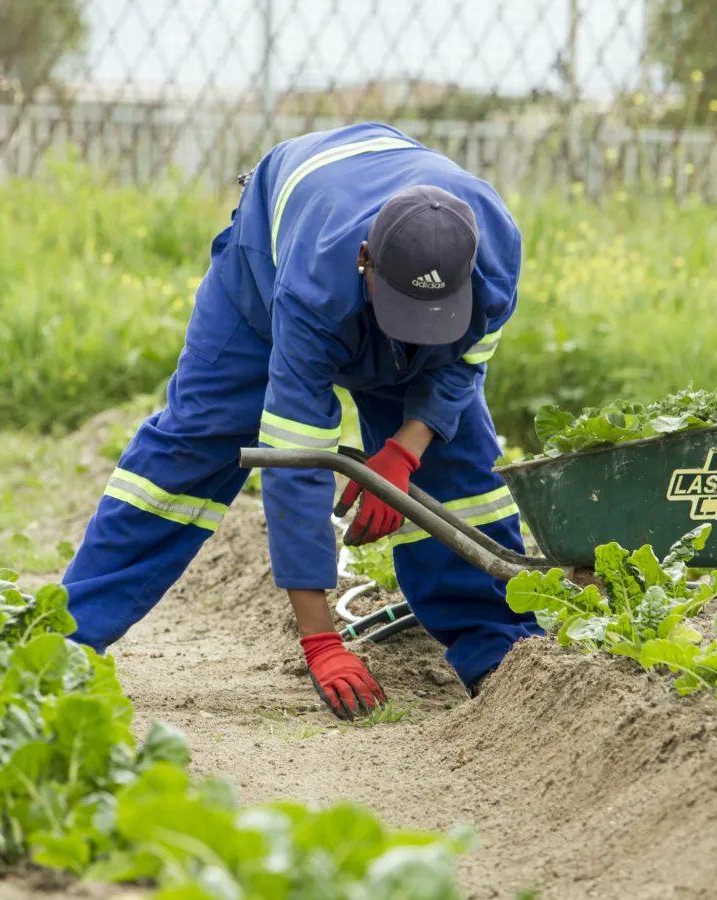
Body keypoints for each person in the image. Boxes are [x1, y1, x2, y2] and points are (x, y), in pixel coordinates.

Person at [62, 122, 543, 720]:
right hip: (269, 261)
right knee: (198, 439)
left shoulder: (494, 255)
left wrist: (406, 451)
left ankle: (501, 652)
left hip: (385, 242)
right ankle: (67, 640)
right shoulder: (315, 286)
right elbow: (298, 463)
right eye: (402, 315)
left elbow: (461, 365)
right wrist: (320, 638)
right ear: (365, 262)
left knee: (456, 468)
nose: (412, 337)